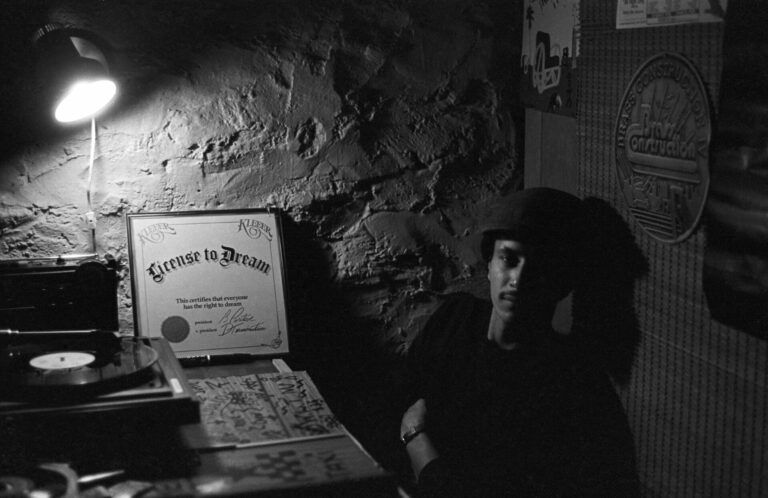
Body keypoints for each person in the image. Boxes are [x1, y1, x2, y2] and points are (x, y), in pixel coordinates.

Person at [399, 187, 639, 497]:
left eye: (538, 267)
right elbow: (396, 400)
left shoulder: (570, 384)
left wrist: (416, 437)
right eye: (509, 259)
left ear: (563, 283)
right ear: (489, 266)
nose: (518, 279)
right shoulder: (455, 321)